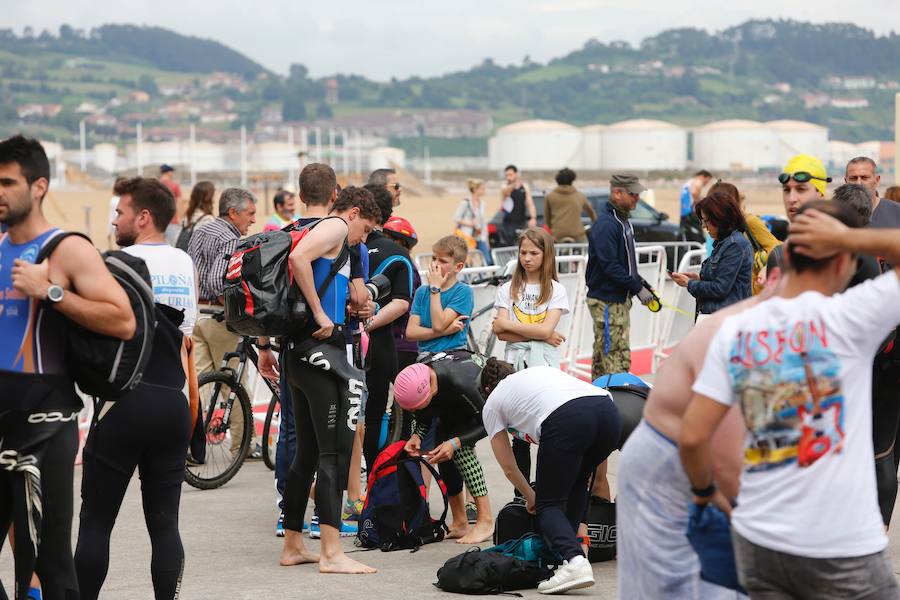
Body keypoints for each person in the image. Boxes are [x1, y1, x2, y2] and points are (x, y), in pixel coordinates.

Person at [680, 201, 900, 598]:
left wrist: (704, 493)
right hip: (840, 544)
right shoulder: (850, 318)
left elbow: (694, 436)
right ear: (843, 262)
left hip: (758, 539)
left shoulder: (734, 329)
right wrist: (850, 238)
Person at [0, 134, 135, 599]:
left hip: (45, 417)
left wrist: (51, 292)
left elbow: (123, 320)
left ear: (38, 186)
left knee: (51, 561)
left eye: (7, 182)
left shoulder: (65, 248)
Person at [75, 176, 193, 600]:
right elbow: (187, 342)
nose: (114, 220)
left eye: (120, 213)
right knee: (165, 523)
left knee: (96, 522)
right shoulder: (184, 262)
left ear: (143, 217)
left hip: (123, 402)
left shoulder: (114, 264)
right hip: (172, 403)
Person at [617, 292, 770, 598]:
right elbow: (716, 454)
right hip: (667, 465)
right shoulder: (741, 333)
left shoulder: (772, 326)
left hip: (681, 458)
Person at [277, 186, 380, 574]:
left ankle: (292, 545)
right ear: (353, 213)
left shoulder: (330, 235)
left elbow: (317, 270)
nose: (364, 238)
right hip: (321, 354)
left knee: (305, 453)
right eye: (366, 229)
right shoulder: (335, 226)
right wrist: (322, 314)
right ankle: (332, 552)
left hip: (301, 355)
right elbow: (300, 258)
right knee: (333, 452)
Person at [479, 360, 620, 595]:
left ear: (486, 389)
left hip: (568, 417)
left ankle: (575, 561)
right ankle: (569, 558)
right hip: (608, 411)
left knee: (549, 504)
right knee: (578, 484)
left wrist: (531, 496)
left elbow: (509, 467)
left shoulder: (492, 403)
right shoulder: (537, 373)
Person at [492, 228, 569, 492]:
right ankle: (521, 496)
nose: (527, 258)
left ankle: (546, 493)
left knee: (546, 429)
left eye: (533, 253)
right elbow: (500, 333)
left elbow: (543, 329)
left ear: (546, 255)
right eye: (523, 252)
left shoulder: (556, 290)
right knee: (519, 436)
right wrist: (541, 335)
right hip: (514, 365)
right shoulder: (507, 288)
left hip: (544, 367)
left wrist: (515, 327)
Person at [394, 351, 494, 544]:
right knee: (442, 452)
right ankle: (460, 522)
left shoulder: (459, 382)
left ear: (430, 391)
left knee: (461, 452)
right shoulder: (419, 373)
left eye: (417, 407)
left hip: (479, 405)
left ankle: (485, 521)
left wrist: (455, 442)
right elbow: (423, 415)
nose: (416, 411)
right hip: (454, 405)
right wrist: (416, 435)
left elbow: (488, 423)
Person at [187, 187, 258, 456]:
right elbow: (219, 279)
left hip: (197, 312)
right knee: (233, 382)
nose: (252, 220)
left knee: (200, 384)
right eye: (249, 214)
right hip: (219, 316)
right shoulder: (230, 238)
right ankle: (243, 446)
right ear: (233, 212)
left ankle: (193, 447)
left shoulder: (201, 229)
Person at [359, 184, 415, 476]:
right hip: (380, 342)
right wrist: (369, 322)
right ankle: (374, 477)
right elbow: (402, 303)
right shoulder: (397, 253)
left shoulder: (337, 242)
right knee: (376, 412)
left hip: (337, 340)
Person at [585, 174, 655, 379]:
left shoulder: (621, 221)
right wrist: (636, 288)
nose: (637, 199)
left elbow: (624, 264)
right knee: (616, 357)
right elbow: (610, 266)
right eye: (633, 194)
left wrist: (641, 284)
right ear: (617, 193)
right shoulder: (608, 224)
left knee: (603, 355)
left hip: (615, 299)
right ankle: (615, 402)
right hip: (607, 300)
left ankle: (600, 397)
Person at [670, 191, 753, 318]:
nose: (704, 226)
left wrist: (689, 283)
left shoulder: (734, 245)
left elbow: (720, 289)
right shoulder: (725, 243)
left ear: (720, 218)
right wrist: (699, 279)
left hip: (726, 320)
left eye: (706, 221)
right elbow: (725, 281)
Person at [381, 215, 422, 441]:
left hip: (402, 342)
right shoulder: (402, 265)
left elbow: (409, 304)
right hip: (400, 342)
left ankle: (401, 448)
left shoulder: (405, 267)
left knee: (402, 405)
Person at [709, 181, 780, 295]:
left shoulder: (749, 221)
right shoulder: (720, 229)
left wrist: (766, 268)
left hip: (755, 294)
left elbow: (777, 248)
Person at [765, 154, 831, 275]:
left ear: (820, 195)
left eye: (801, 189)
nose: (791, 199)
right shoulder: (778, 255)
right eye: (786, 190)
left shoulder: (841, 248)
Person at [406, 236, 473, 353]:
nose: (435, 264)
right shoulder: (422, 292)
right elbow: (411, 332)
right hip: (425, 357)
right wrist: (445, 332)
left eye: (442, 261)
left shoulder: (463, 291)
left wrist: (435, 289)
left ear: (458, 267)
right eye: (433, 258)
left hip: (453, 356)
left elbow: (438, 324)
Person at [846, 157, 900, 230]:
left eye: (864, 178)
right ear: (846, 181)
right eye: (853, 178)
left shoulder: (896, 211)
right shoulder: (835, 215)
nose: (859, 183)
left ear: (877, 180)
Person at [544, 168, 596, 243]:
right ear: (572, 180)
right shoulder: (580, 195)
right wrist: (596, 224)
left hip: (558, 234)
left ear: (557, 180)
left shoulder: (549, 196)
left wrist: (552, 229)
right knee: (586, 251)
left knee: (553, 252)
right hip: (578, 234)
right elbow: (591, 212)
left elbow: (547, 218)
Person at [454, 178, 491, 265]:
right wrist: (470, 224)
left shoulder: (482, 204)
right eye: (482, 188)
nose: (484, 190)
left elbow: (483, 222)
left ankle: (483, 276)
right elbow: (456, 217)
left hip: (480, 235)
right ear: (475, 189)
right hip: (467, 236)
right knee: (468, 261)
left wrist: (486, 239)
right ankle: (469, 277)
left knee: (487, 260)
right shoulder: (466, 202)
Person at [499, 165, 537, 246]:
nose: (508, 177)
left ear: (516, 174)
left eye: (511, 175)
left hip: (521, 221)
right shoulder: (504, 185)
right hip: (508, 222)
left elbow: (530, 203)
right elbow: (505, 191)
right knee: (509, 245)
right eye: (507, 175)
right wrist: (514, 184)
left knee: (522, 243)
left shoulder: (524, 186)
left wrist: (533, 218)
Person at [680, 170, 712, 241]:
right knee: (698, 235)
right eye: (707, 181)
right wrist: (701, 201)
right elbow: (694, 193)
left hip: (684, 213)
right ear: (703, 177)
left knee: (687, 235)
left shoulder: (689, 182)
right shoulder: (698, 182)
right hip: (691, 212)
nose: (706, 183)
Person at [106, 176, 127, 249]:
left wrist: (108, 232)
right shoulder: (129, 200)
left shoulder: (114, 200)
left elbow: (111, 217)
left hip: (117, 229)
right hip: (126, 228)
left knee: (122, 249)